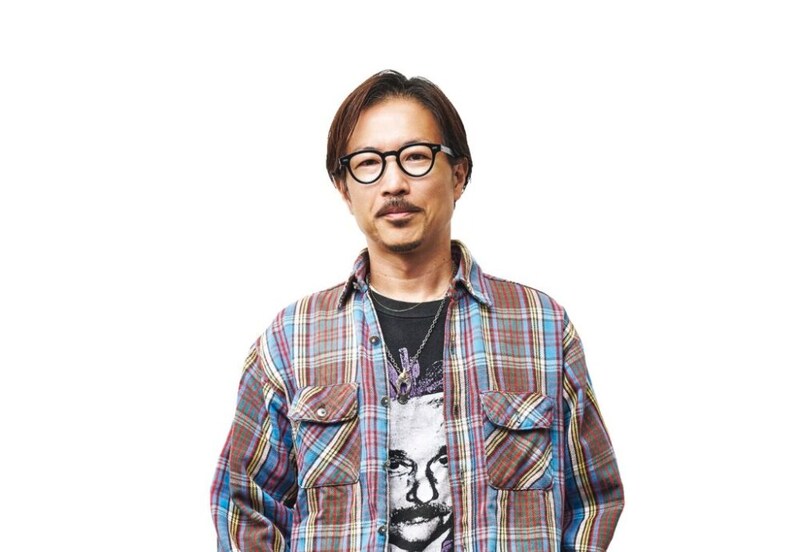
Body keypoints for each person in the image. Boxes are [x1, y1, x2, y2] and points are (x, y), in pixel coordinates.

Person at [210, 69, 624, 552]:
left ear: (458, 174)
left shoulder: (541, 328)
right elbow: (245, 504)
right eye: (368, 163)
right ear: (344, 188)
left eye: (415, 157)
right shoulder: (292, 339)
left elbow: (593, 498)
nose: (394, 183)